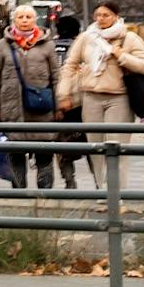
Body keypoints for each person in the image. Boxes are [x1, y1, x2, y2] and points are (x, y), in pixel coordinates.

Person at [57, 0, 144, 189]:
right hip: (91, 97)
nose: (101, 19)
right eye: (98, 15)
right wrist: (64, 93)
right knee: (96, 149)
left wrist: (121, 56)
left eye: (106, 15)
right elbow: (69, 64)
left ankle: (116, 196)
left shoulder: (129, 38)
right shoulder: (87, 37)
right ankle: (103, 194)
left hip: (119, 98)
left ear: (116, 17)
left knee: (115, 147)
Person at [0, 4, 61, 190]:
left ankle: (45, 195)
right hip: (12, 109)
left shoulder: (47, 44)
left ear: (35, 20)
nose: (25, 20)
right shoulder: (3, 45)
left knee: (44, 155)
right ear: (14, 20)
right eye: (21, 17)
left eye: (28, 17)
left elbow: (56, 77)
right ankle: (19, 193)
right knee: (15, 154)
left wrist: (59, 106)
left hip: (41, 110)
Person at [50, 12, 83, 189]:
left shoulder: (50, 47)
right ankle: (99, 183)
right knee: (90, 146)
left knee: (61, 146)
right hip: (79, 105)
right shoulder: (81, 48)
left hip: (57, 104)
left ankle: (69, 181)